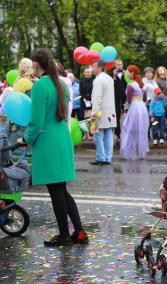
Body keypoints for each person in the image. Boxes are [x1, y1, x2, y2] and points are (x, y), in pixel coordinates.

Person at [17, 48, 88, 246]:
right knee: (62, 190)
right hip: (62, 139)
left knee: (56, 192)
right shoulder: (62, 85)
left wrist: (26, 139)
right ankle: (80, 232)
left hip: (48, 141)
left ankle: (65, 235)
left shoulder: (41, 86)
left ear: (36, 65)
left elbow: (37, 121)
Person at [90, 60, 117, 165]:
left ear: (99, 68)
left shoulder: (98, 80)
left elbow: (97, 98)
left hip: (100, 111)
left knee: (97, 134)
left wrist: (94, 113)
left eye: (94, 66)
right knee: (109, 133)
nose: (92, 68)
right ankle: (108, 157)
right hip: (110, 111)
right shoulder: (110, 78)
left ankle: (101, 157)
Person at [120, 65, 150, 160]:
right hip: (142, 107)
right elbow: (145, 98)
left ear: (132, 73)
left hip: (134, 107)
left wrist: (125, 111)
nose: (127, 74)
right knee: (141, 130)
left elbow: (128, 100)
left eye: (128, 72)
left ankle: (130, 151)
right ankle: (140, 151)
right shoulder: (142, 84)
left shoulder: (131, 85)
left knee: (130, 129)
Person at [154, 66, 167, 139]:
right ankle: (156, 133)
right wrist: (160, 96)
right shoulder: (155, 80)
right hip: (159, 102)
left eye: (162, 70)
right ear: (157, 72)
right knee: (157, 119)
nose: (161, 71)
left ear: (165, 71)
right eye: (159, 70)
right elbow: (155, 90)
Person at [113, 60, 127, 142]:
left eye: (121, 64)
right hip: (116, 98)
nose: (119, 66)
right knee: (117, 116)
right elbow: (111, 86)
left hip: (125, 97)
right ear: (115, 66)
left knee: (126, 115)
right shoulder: (112, 74)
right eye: (118, 65)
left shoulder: (126, 73)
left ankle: (127, 133)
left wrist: (126, 76)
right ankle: (117, 134)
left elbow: (129, 84)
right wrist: (114, 77)